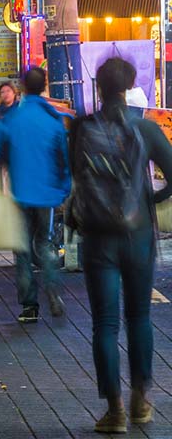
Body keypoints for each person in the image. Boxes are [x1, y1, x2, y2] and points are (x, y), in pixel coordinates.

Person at [67, 58, 172, 433]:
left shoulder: (81, 129)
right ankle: (141, 401)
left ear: (99, 88)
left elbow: (74, 179)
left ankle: (115, 412)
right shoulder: (146, 128)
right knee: (140, 317)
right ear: (129, 87)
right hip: (139, 235)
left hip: (97, 238)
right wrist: (151, 200)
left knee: (105, 323)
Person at [0, 69, 69, 326]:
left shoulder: (11, 117)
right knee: (44, 244)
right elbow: (64, 159)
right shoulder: (54, 118)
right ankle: (53, 287)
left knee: (22, 249)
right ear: (44, 87)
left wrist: (8, 159)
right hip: (47, 193)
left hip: (20, 191)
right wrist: (64, 188)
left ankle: (30, 307)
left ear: (22, 88)